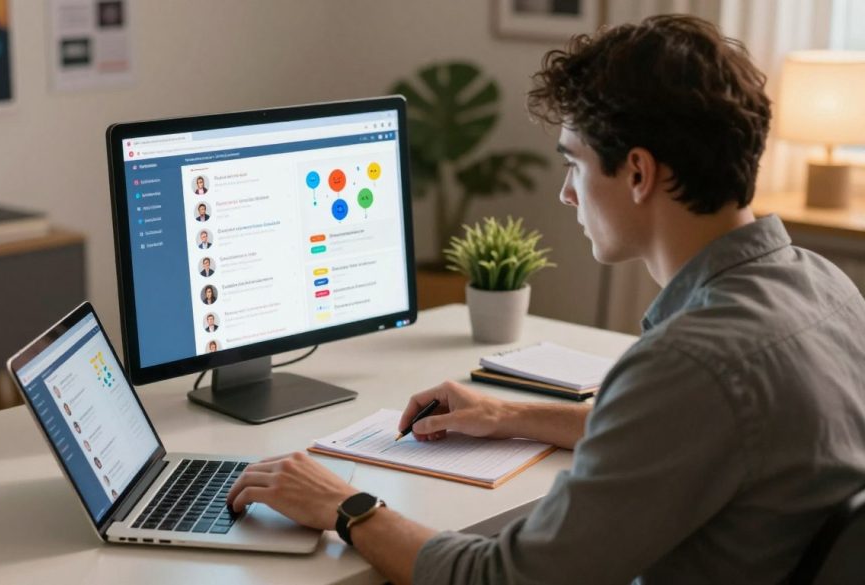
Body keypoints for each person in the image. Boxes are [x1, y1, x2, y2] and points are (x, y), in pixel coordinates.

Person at [226, 15, 865, 584]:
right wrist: (509, 417)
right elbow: (683, 433)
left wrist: (347, 506)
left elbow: (505, 577)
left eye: (574, 164)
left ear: (639, 173)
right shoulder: (824, 286)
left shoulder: (693, 364)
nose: (566, 194)